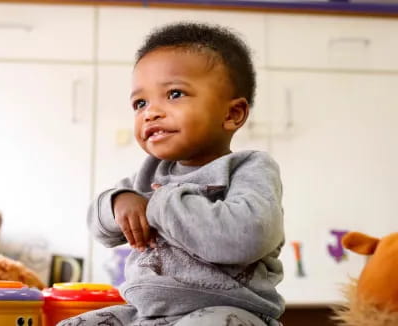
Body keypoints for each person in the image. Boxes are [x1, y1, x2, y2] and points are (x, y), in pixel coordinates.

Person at [59, 22, 284, 326]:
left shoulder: (248, 168)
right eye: (140, 103)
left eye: (174, 94)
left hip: (231, 314)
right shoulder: (147, 174)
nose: (150, 112)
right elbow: (100, 227)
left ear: (232, 114)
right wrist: (119, 202)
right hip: (146, 315)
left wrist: (157, 205)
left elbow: (247, 236)